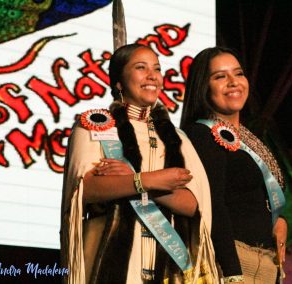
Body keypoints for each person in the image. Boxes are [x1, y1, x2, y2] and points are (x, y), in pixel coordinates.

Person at [60, 43, 219, 283]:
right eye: (140, 68)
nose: (152, 75)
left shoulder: (178, 138)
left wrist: (140, 179)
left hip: (166, 266)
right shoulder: (95, 125)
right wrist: (147, 180)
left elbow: (194, 204)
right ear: (119, 82)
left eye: (156, 68)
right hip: (108, 257)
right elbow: (84, 190)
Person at [180, 47, 288, 284]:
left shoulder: (249, 136)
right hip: (234, 263)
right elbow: (213, 204)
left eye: (238, 74)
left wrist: (280, 220)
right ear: (203, 86)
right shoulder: (201, 134)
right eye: (220, 76)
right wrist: (232, 273)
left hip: (267, 264)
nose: (233, 82)